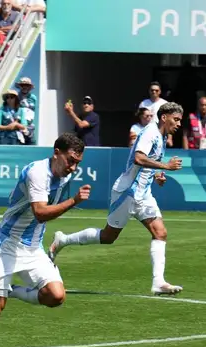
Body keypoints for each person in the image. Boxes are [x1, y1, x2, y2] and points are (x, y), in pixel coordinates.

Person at [0, 133, 90, 347]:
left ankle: (14, 292)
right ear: (56, 152)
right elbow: (40, 212)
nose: (73, 167)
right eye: (70, 160)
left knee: (56, 296)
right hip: (7, 244)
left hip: (32, 247)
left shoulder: (63, 176)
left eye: (77, 163)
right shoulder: (37, 173)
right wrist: (73, 201)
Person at [48, 102, 185, 295]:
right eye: (176, 119)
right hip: (127, 192)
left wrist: (157, 175)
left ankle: (158, 282)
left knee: (160, 233)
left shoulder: (161, 136)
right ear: (164, 117)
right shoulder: (150, 133)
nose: (179, 124)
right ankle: (62, 240)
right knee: (108, 237)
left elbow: (143, 165)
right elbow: (138, 158)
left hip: (143, 194)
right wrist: (165, 166)